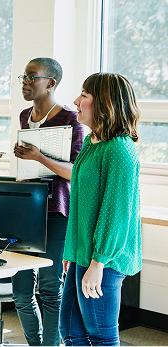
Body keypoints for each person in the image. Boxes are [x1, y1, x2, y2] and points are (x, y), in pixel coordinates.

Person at [59, 72, 142, 346]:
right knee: (70, 332)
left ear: (105, 102)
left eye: (84, 95)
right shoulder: (91, 142)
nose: (75, 101)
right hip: (84, 254)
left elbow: (115, 214)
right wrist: (72, 251)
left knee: (102, 336)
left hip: (103, 259)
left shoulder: (120, 150)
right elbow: (81, 203)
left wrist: (98, 263)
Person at [11, 58, 84, 346]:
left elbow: (75, 172)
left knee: (51, 288)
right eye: (24, 77)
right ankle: (36, 343)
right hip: (27, 209)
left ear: (50, 83)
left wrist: (38, 157)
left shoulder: (71, 119)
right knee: (20, 291)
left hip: (56, 211)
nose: (25, 82)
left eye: (32, 77)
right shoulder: (23, 115)